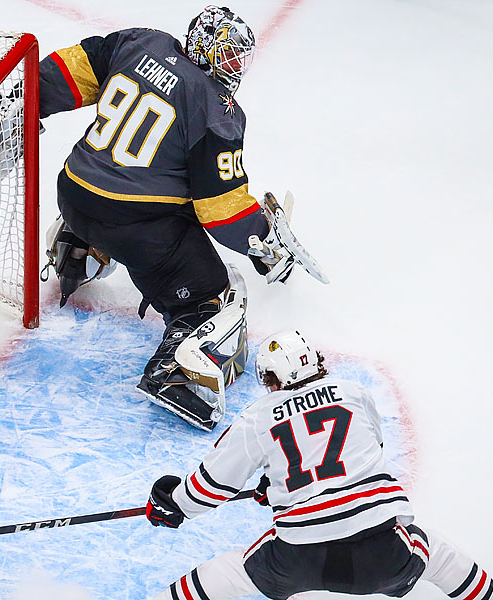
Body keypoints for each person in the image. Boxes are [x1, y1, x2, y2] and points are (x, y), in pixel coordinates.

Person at [38, 6, 300, 431]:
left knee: (139, 185)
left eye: (239, 58)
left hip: (72, 193)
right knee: (215, 295)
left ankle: (76, 250)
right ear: (205, 47)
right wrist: (263, 241)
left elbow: (70, 72)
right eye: (228, 54)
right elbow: (220, 210)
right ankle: (175, 372)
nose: (234, 67)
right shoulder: (217, 108)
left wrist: (24, 103)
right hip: (132, 226)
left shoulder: (139, 41)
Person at [145, 329, 493, 600]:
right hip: (382, 555)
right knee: (438, 555)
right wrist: (278, 484)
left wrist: (173, 504)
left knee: (227, 574)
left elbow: (211, 486)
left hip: (296, 558)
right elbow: (364, 454)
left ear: (269, 379)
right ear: (317, 362)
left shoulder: (259, 416)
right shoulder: (355, 394)